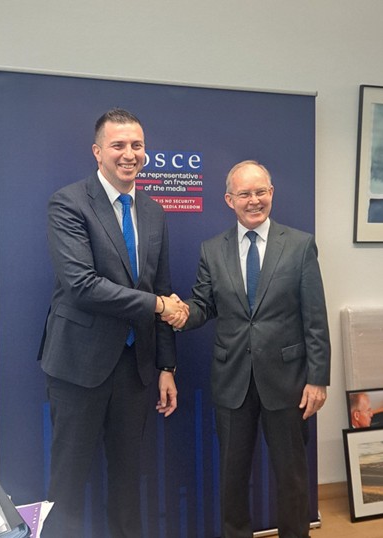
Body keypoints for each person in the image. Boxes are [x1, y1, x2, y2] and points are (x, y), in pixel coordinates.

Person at [39, 108, 189, 537]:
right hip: (78, 366)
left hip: (134, 369)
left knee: (128, 482)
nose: (129, 154)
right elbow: (82, 285)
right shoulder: (69, 203)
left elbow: (162, 285)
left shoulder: (154, 211)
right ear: (97, 151)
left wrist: (166, 366)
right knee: (67, 484)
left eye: (137, 145)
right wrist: (158, 306)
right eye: (118, 145)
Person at [164, 160, 331, 538]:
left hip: (288, 382)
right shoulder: (212, 250)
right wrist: (180, 313)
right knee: (233, 477)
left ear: (271, 193)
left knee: (292, 476)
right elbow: (203, 306)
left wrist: (318, 378)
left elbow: (315, 318)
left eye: (261, 192)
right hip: (232, 380)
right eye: (244, 194)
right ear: (229, 200)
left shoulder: (300, 245)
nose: (254, 200)